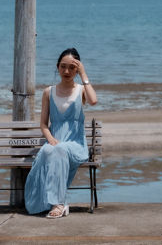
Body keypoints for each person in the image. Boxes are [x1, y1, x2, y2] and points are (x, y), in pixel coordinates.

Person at [24, 48, 97, 218]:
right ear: (57, 67)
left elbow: (93, 101)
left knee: (60, 150)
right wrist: (49, 138)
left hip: (75, 144)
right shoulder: (48, 92)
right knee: (51, 150)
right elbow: (43, 124)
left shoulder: (81, 90)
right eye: (63, 67)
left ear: (77, 69)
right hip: (54, 142)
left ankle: (58, 203)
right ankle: (56, 202)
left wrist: (84, 74)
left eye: (72, 68)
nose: (66, 71)